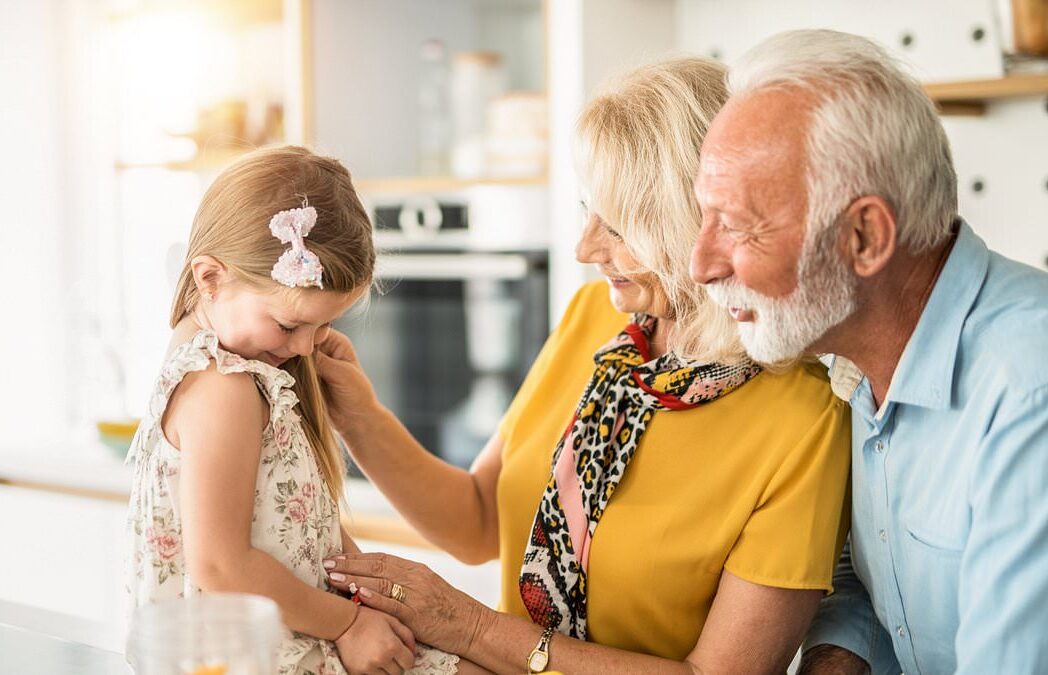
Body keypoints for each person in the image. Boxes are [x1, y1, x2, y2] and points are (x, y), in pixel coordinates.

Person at [314, 58, 852, 674]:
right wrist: (358, 416)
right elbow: (476, 520)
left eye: (619, 228)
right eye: (586, 210)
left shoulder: (807, 418)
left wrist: (467, 626)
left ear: (696, 228)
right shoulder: (597, 320)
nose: (585, 248)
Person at [689, 29, 1048, 675]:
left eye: (737, 226)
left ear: (864, 237)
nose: (701, 265)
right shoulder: (856, 355)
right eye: (703, 218)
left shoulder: (1030, 390)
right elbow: (881, 575)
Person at [124, 146, 488, 674]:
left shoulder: (244, 366)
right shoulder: (222, 388)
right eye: (291, 325)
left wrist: (366, 605)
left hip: (301, 623)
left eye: (324, 325)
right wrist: (348, 624)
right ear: (210, 279)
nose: (305, 346)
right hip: (264, 650)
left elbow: (306, 527)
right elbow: (221, 565)